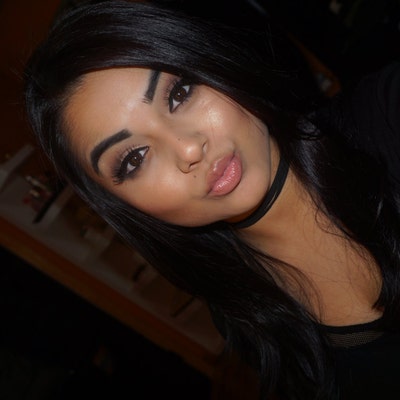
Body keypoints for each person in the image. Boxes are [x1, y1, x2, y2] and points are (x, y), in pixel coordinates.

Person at [23, 1, 400, 399]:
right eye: (134, 159)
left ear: (213, 63)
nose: (188, 149)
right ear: (123, 207)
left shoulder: (389, 115)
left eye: (179, 93)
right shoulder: (250, 323)